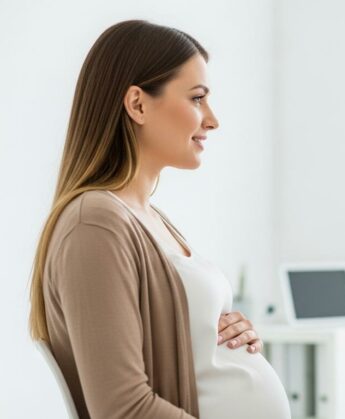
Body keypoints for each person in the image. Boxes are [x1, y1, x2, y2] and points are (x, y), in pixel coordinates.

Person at [28, 20, 290, 418]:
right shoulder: (94, 224)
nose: (213, 119)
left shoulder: (147, 217)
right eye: (197, 98)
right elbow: (123, 409)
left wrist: (227, 340)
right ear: (137, 104)